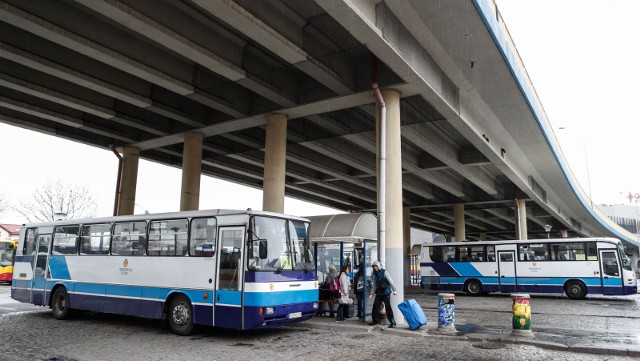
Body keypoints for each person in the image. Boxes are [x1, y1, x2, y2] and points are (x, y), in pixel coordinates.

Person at [368, 260, 397, 327]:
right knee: (375, 306)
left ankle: (393, 322)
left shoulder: (385, 272)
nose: (374, 268)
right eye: (373, 267)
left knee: (388, 307)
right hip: (379, 293)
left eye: (375, 266)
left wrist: (394, 290)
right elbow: (374, 285)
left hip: (386, 293)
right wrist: (371, 293)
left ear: (378, 266)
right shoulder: (375, 273)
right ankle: (375, 321)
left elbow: (391, 282)